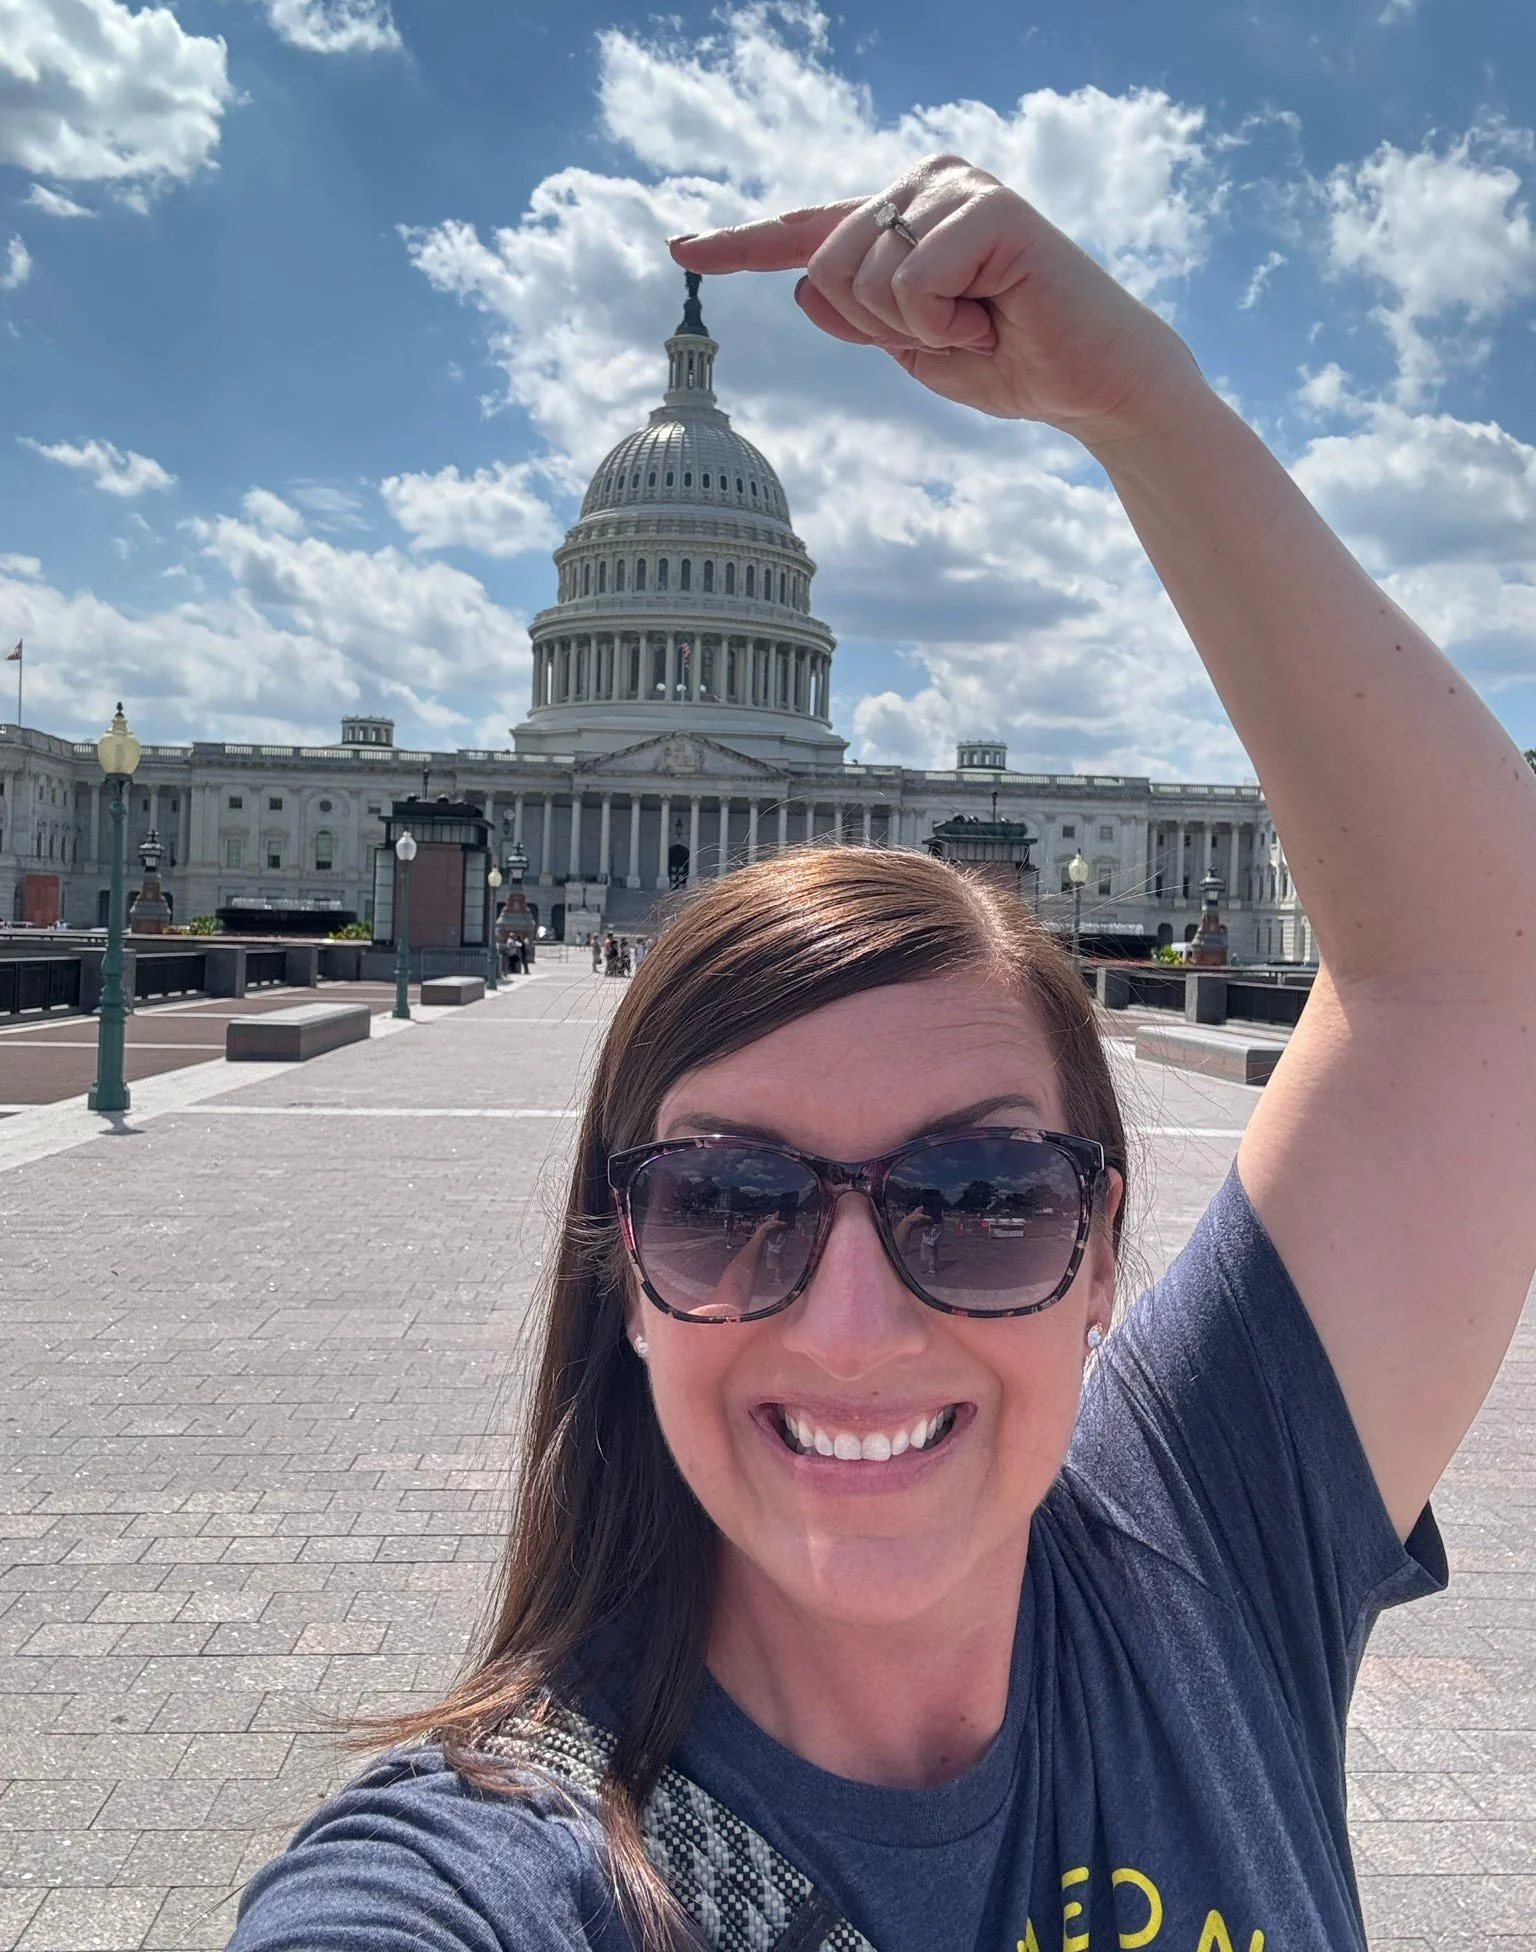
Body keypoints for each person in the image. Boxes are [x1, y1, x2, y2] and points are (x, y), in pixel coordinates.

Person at [229, 158, 1536, 1952]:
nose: (856, 1319)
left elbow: (1484, 968)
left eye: (980, 1195)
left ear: (1102, 1243)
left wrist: (1139, 404)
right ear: (619, 1265)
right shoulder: (499, 1883)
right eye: (725, 1199)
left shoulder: (1204, 1553)